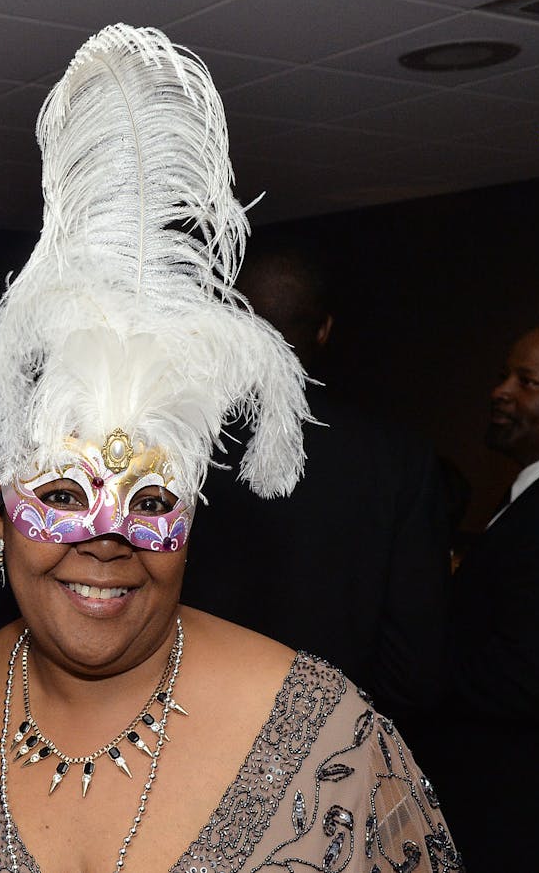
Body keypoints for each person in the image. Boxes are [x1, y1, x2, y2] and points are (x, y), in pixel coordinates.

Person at [0, 25, 458, 872]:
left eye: (151, 503)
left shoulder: (329, 737)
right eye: (62, 495)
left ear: (193, 522)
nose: (108, 539)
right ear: (1, 516)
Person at [181, 242, 450, 720]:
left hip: (186, 716)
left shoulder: (178, 439)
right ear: (324, 329)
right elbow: (413, 657)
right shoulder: (397, 457)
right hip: (329, 734)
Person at [433, 325, 539, 868]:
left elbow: (529, 676)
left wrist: (418, 667)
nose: (500, 391)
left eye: (527, 382)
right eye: (504, 375)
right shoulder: (526, 495)